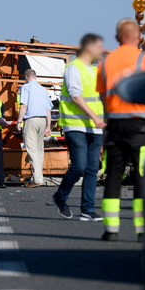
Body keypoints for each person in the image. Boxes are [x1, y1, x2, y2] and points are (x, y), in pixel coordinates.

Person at [96, 19, 145, 242]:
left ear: (117, 37)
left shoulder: (105, 63)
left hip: (115, 126)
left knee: (113, 175)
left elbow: (103, 97)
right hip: (141, 127)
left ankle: (111, 230)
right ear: (139, 36)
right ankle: (142, 231)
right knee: (141, 177)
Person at [52, 33, 106, 221]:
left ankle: (87, 210)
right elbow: (76, 96)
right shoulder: (73, 68)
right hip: (75, 125)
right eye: (99, 47)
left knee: (92, 169)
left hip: (95, 127)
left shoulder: (95, 71)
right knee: (79, 166)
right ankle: (60, 197)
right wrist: (95, 118)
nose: (101, 50)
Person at [16, 69, 53, 188]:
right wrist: (48, 126)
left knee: (31, 150)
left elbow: (24, 106)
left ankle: (38, 179)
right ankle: (38, 177)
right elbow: (48, 110)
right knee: (39, 150)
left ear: (26, 77)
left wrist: (19, 121)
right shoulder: (43, 90)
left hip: (31, 120)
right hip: (42, 120)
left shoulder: (26, 87)